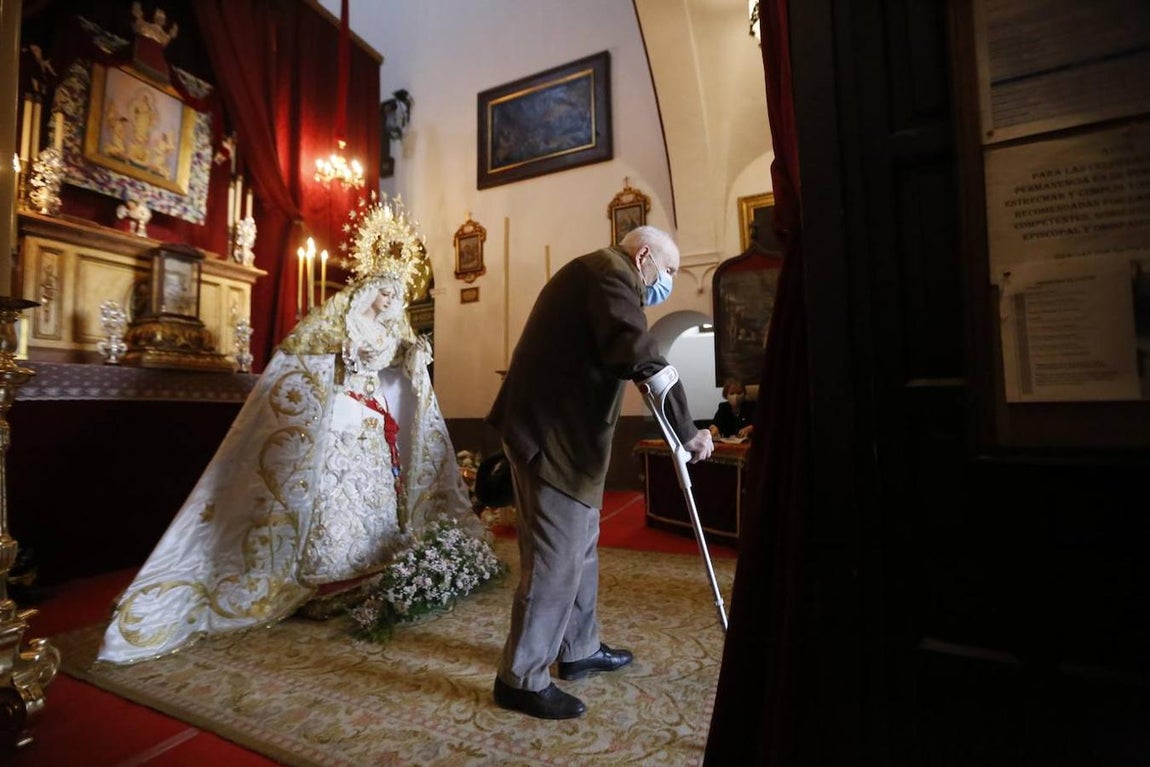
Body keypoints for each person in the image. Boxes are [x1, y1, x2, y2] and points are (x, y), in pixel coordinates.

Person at [98, 199, 481, 665]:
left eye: (398, 297)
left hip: (373, 417)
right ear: (370, 288)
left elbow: (400, 366)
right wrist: (351, 356)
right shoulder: (342, 321)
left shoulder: (389, 330)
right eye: (387, 293)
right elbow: (321, 358)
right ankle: (330, 565)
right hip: (343, 414)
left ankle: (372, 559)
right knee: (338, 490)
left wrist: (414, 356)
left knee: (374, 493)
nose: (392, 303)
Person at [485, 225, 714, 719]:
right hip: (551, 436)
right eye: (669, 271)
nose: (668, 282)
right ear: (645, 256)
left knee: (580, 547)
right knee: (555, 559)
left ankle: (579, 649)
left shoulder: (604, 274)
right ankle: (520, 677)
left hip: (566, 435)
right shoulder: (609, 275)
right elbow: (639, 353)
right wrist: (687, 430)